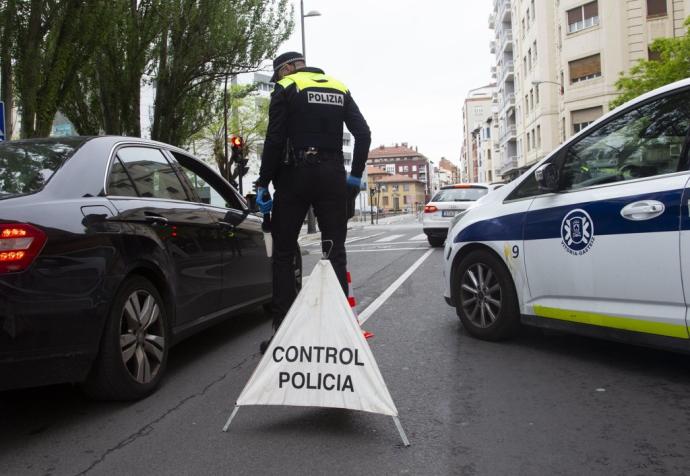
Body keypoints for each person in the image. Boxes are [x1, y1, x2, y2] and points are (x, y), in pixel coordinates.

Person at [256, 51, 371, 351]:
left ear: (288, 68)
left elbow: (275, 139)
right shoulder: (338, 86)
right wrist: (355, 177)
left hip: (294, 175)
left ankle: (283, 335)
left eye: (279, 72)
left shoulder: (287, 87)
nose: (279, 78)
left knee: (283, 253)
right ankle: (339, 334)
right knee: (335, 252)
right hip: (332, 175)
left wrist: (262, 182)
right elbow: (363, 133)